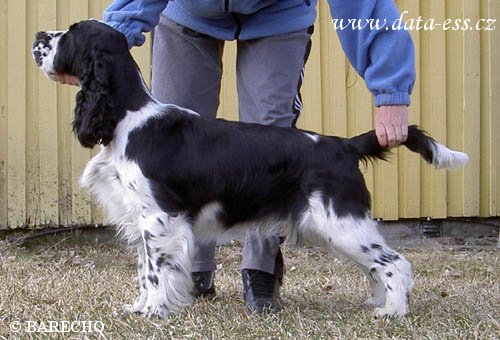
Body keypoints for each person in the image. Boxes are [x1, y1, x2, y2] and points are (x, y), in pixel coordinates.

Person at [57, 0, 415, 313]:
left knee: (272, 136)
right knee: (166, 150)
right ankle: (187, 276)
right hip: (187, 12)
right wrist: (111, 39)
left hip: (279, 12)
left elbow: (364, 5)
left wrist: (391, 88)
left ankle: (260, 272)